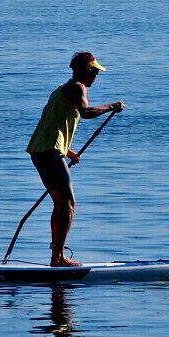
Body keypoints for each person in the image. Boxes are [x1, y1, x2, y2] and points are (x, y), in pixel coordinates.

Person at [27, 52, 125, 267]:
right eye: (94, 71)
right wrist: (111, 107)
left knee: (61, 203)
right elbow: (86, 112)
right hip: (49, 151)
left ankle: (56, 256)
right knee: (68, 203)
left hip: (42, 150)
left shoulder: (61, 90)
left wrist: (68, 151)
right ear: (83, 70)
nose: (96, 76)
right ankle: (58, 258)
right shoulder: (76, 87)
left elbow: (53, 124)